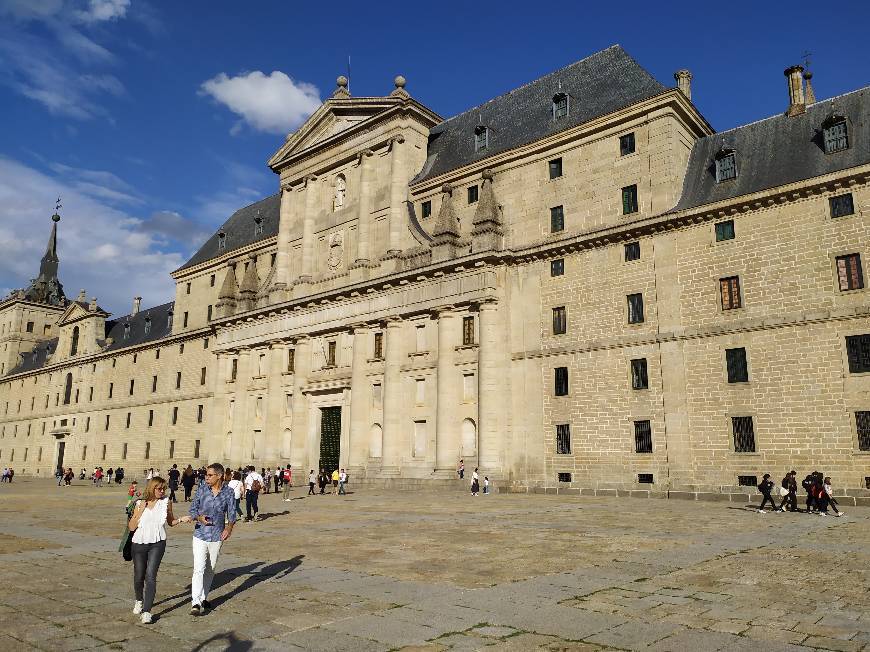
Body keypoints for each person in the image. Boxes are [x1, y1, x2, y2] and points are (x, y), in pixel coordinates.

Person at [127, 476, 191, 624]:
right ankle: (139, 600)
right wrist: (140, 511)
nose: (162, 491)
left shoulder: (166, 502)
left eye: (164, 489)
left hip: (158, 542)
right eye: (159, 488)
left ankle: (147, 611)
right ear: (152, 488)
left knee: (151, 575)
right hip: (139, 542)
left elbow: (170, 522)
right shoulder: (139, 503)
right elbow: (131, 527)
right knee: (138, 576)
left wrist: (182, 519)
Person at [189, 463, 236, 616]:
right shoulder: (202, 488)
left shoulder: (228, 492)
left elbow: (232, 513)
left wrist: (229, 528)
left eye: (210, 475)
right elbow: (193, 509)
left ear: (219, 476)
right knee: (199, 568)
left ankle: (203, 597)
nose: (206, 477)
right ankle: (195, 602)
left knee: (211, 568)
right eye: (206, 475)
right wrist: (199, 517)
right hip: (200, 534)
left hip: (217, 535)